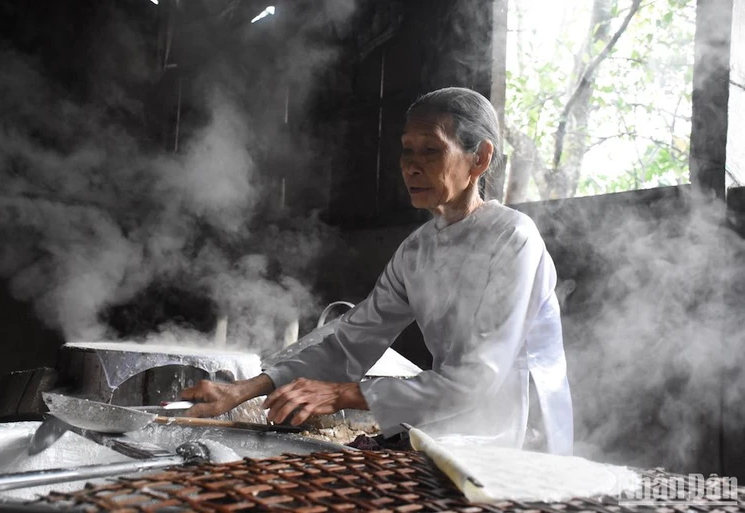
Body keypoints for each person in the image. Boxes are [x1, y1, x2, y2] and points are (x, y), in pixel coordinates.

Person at [181, 87, 574, 455]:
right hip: (453, 424)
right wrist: (242, 390)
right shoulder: (417, 250)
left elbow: (477, 377)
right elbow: (348, 343)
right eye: (407, 151)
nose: (412, 167)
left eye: (431, 150)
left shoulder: (513, 237)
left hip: (520, 432)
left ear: (480, 158)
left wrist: (341, 394)